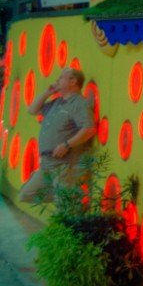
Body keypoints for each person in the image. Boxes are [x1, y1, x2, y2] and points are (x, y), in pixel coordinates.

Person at [19, 68, 96, 204]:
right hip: (47, 163)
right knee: (26, 194)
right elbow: (32, 110)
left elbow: (89, 129)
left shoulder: (79, 103)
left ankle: (71, 200)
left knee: (65, 205)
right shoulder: (57, 102)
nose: (57, 80)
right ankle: (65, 196)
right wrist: (48, 93)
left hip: (65, 164)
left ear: (72, 81)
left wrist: (67, 144)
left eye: (61, 78)